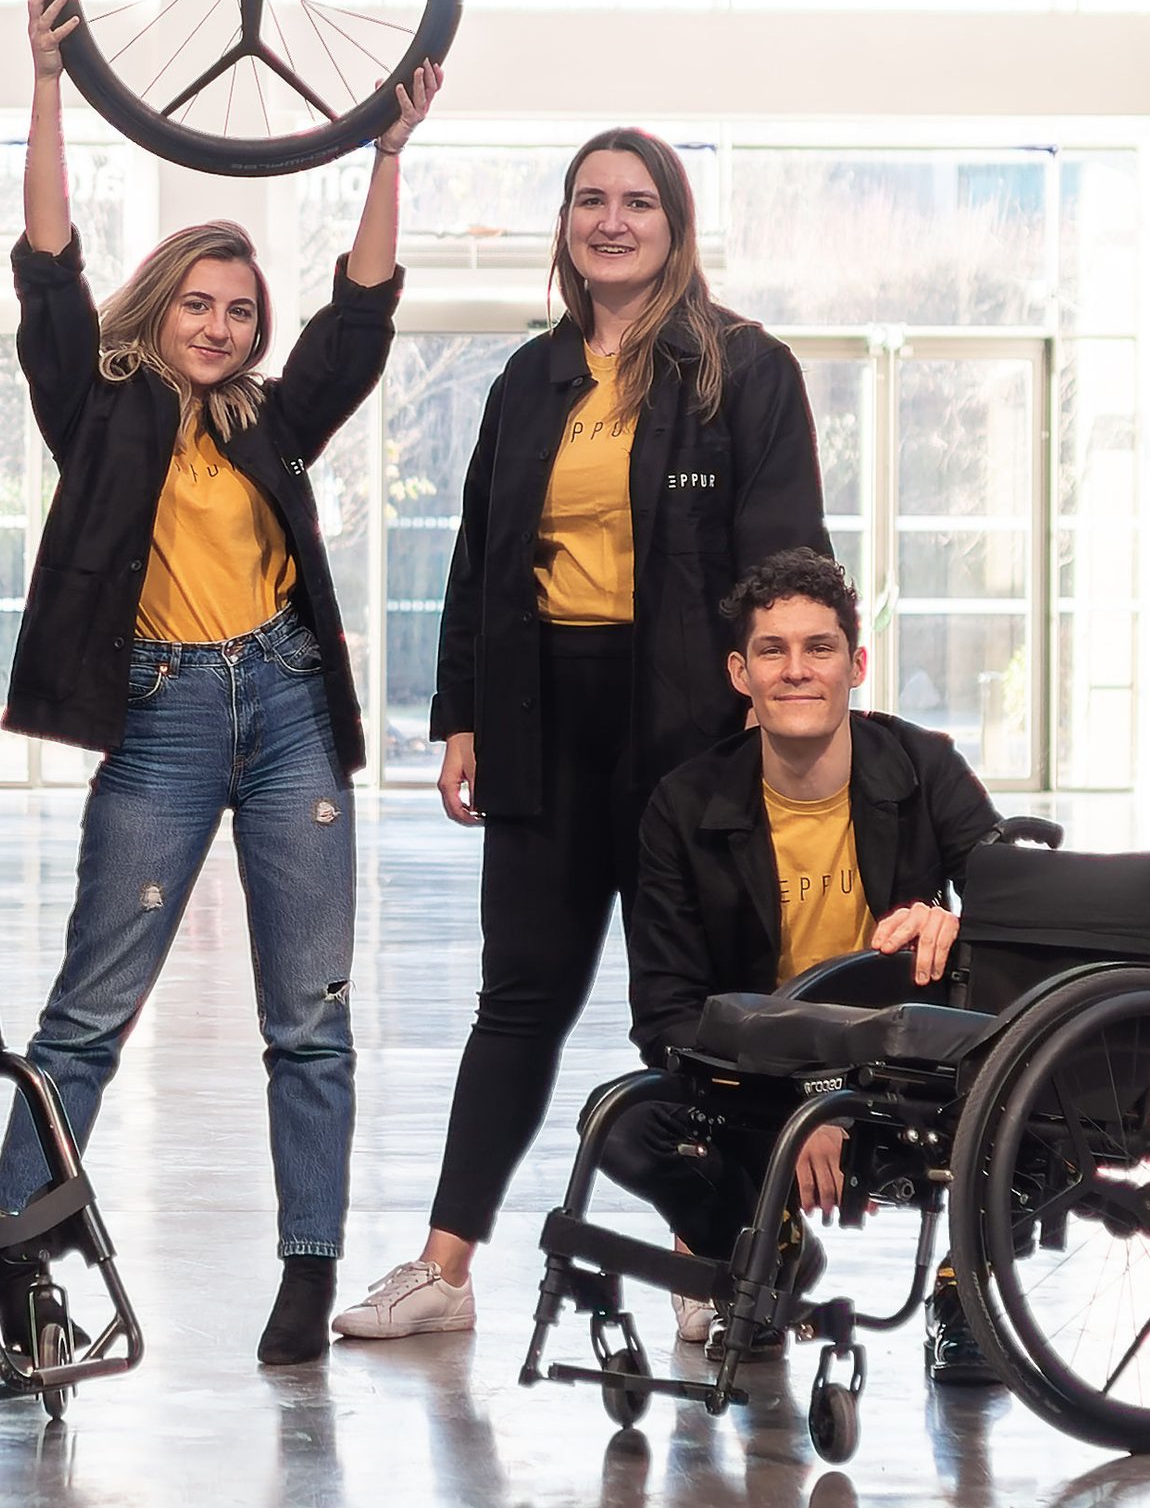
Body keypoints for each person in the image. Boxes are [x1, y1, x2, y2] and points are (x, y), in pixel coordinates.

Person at [0, 0, 437, 1369]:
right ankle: (16, 1257)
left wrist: (386, 159)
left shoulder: (272, 426)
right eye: (202, 301)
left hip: (289, 708)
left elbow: (357, 323)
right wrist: (52, 87)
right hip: (166, 719)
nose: (224, 325)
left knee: (308, 1019)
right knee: (86, 1016)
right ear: (161, 304)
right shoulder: (100, 408)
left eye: (242, 309)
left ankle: (306, 1275)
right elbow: (48, 268)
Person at [335, 126, 827, 1344]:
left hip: (689, 729)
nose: (611, 221)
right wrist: (460, 714)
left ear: (676, 222)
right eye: (589, 201)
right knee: (518, 999)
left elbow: (783, 568)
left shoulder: (741, 370)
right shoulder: (528, 380)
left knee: (707, 1009)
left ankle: (710, 1257)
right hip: (544, 719)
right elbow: (480, 558)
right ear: (565, 224)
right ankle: (444, 1271)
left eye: (638, 202)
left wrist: (767, 718)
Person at [607, 547, 1002, 1377]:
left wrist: (953, 924)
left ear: (856, 664)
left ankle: (964, 1290)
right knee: (628, 1124)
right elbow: (667, 1010)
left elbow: (1018, 903)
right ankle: (766, 1248)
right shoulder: (682, 807)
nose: (797, 670)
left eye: (819, 648)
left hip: (911, 1077)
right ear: (739, 672)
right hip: (763, 1081)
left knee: (1022, 1068)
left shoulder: (924, 768)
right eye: (772, 650)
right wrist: (805, 1098)